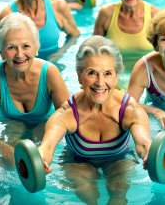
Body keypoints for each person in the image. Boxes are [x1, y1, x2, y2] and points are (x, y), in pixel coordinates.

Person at [38, 36, 151, 204]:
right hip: (78, 161)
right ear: (79, 77)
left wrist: (150, 154)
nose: (100, 82)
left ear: (116, 76)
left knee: (118, 189)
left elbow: (143, 142)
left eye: (107, 74)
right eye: (92, 73)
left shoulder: (129, 110)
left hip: (119, 158)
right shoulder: (68, 113)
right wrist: (39, 161)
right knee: (86, 191)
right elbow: (47, 146)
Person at [0, 13, 71, 167]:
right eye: (11, 47)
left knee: (40, 155)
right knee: (9, 161)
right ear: (2, 53)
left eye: (26, 46)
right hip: (11, 125)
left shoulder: (49, 72)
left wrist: (49, 147)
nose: (20, 54)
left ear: (36, 49)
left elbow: (70, 118)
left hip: (43, 124)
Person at [93, 0, 160, 71]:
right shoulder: (106, 13)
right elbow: (93, 52)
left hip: (148, 78)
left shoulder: (156, 16)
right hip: (115, 79)